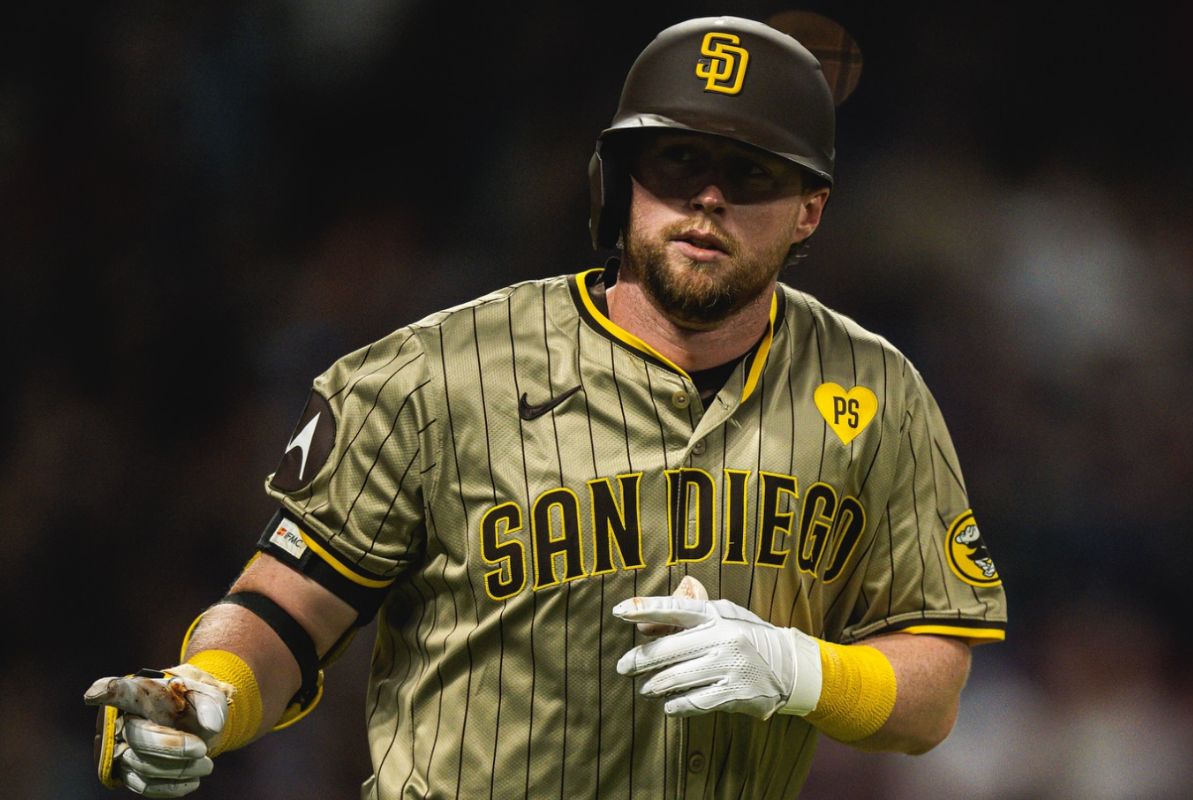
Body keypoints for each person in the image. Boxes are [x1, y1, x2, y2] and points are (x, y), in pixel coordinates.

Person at [85, 15, 1006, 799]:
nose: (709, 197)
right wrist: (207, 693)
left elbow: (933, 690)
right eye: (677, 160)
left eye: (753, 172)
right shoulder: (435, 374)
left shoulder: (879, 390)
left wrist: (801, 670)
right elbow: (285, 610)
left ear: (810, 210)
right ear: (623, 179)